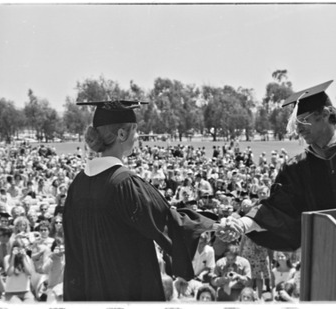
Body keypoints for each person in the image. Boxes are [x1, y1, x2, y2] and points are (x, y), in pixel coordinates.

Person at [219, 80, 336, 251]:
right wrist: (242, 224)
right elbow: (278, 211)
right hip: (327, 254)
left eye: (304, 120)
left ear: (326, 114)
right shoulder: (298, 168)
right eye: (296, 123)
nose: (298, 128)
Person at [63, 99, 222, 301]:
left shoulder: (78, 185)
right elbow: (169, 221)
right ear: (121, 134)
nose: (138, 137)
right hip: (124, 291)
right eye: (135, 131)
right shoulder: (124, 183)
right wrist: (214, 224)